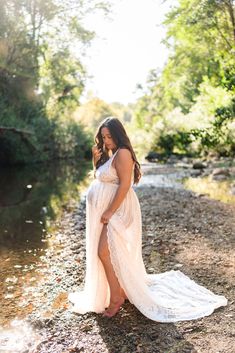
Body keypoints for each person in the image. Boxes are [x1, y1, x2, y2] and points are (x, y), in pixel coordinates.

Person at [68, 117, 227, 321]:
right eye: (103, 136)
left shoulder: (123, 153)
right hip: (108, 210)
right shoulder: (112, 154)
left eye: (109, 136)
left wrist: (109, 211)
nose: (106, 140)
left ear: (118, 134)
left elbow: (125, 185)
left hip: (118, 210)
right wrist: (96, 160)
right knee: (109, 252)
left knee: (103, 252)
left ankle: (117, 297)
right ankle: (121, 291)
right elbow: (101, 178)